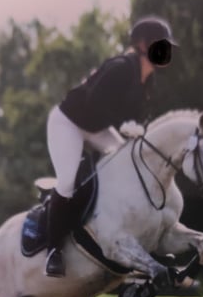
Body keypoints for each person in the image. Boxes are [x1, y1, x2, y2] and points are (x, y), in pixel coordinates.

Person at [43, 15, 178, 277]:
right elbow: (94, 101)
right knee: (68, 181)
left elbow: (135, 118)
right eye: (159, 44)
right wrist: (123, 127)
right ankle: (53, 250)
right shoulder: (120, 67)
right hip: (68, 123)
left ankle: (138, 237)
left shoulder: (147, 80)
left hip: (98, 127)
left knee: (134, 168)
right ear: (141, 44)